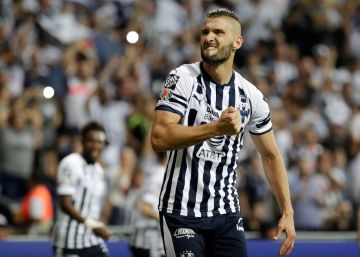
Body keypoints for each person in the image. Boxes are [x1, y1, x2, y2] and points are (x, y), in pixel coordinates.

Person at [151, 8, 296, 257]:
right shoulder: (182, 78)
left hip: (226, 214)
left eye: (218, 32)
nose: (209, 37)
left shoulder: (251, 96)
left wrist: (287, 211)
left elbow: (271, 156)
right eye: (205, 32)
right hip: (181, 212)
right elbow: (159, 138)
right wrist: (217, 128)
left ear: (237, 42)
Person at [52, 122, 112, 257]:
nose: (96, 146)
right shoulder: (71, 163)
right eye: (92, 141)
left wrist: (100, 222)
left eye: (100, 142)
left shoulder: (98, 170)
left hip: (91, 239)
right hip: (69, 242)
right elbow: (65, 204)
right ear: (83, 142)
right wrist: (93, 225)